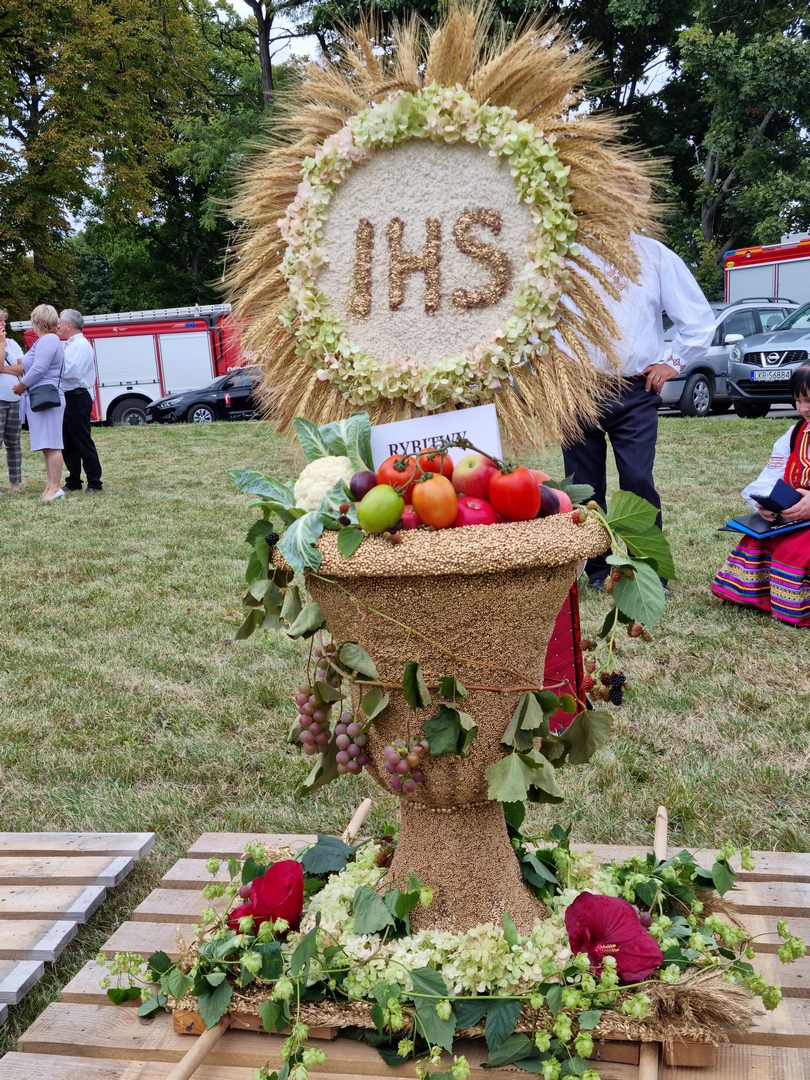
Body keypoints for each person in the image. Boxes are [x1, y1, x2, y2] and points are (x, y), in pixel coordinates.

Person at [562, 233, 716, 589]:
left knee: (637, 479)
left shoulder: (653, 255)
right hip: (577, 388)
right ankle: (597, 570)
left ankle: (648, 571)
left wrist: (673, 363)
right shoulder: (561, 253)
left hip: (635, 387)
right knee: (583, 486)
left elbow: (697, 319)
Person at [711, 364, 810, 627]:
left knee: (794, 550)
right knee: (757, 542)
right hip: (796, 519)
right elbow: (770, 477)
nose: (803, 409)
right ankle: (763, 598)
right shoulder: (796, 434)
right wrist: (765, 503)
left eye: (809, 401)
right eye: (798, 400)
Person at [0, 304, 66, 501]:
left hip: (47, 397)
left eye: (33, 320)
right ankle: (50, 487)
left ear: (38, 321)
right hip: (41, 397)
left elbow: (39, 368)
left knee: (52, 443)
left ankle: (55, 488)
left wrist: (21, 385)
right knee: (47, 445)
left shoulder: (48, 340)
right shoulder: (45, 340)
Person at [58, 308, 102, 493]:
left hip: (77, 396)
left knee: (82, 440)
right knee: (67, 442)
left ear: (69, 325)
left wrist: (52, 369)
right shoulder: (69, 344)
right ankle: (74, 480)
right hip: (67, 396)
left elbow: (72, 372)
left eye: (60, 322)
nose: (58, 325)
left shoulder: (81, 345)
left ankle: (94, 482)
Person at [0, 308, 23, 493]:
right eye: (0, 321)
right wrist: (1, 343)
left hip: (14, 399)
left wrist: (4, 369)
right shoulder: (3, 343)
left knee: (14, 444)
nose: (3, 324)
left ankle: (15, 485)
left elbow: (22, 368)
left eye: (4, 320)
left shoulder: (13, 343)